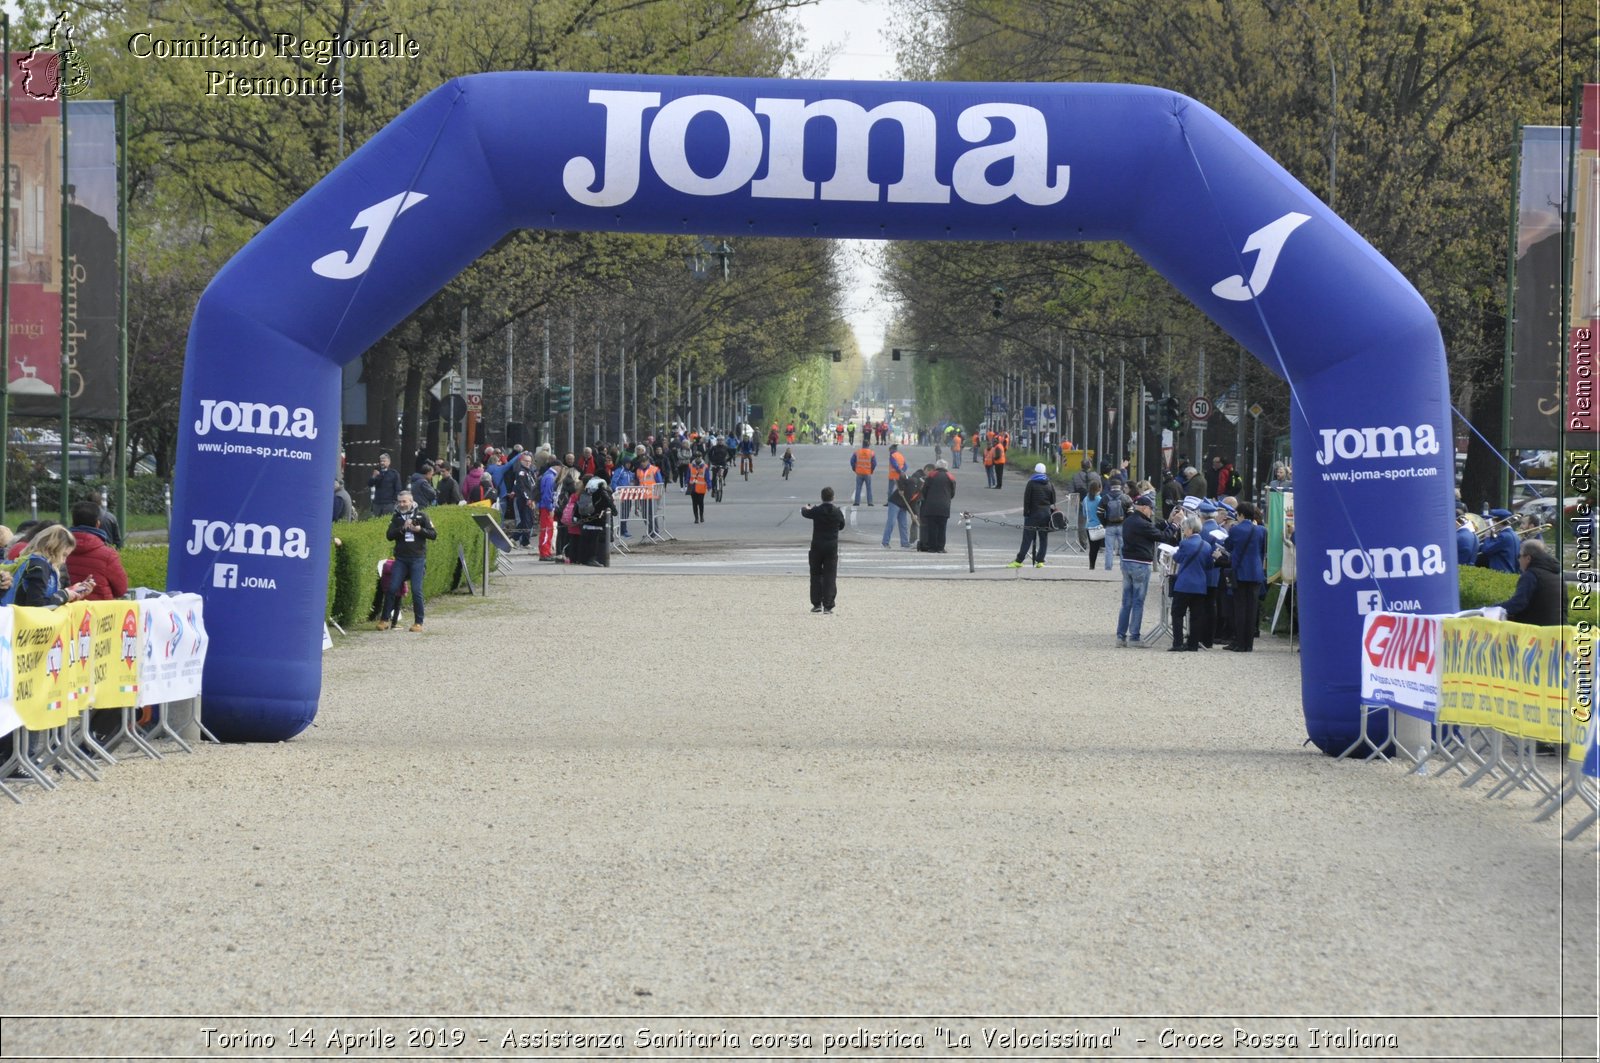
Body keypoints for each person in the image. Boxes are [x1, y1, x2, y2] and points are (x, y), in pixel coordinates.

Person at [1115, 492, 1178, 647]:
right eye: (1151, 509)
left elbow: (1152, 529)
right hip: (1140, 564)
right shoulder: (1142, 523)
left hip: (1127, 563)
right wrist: (1175, 525)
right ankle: (1134, 637)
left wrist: (1168, 521)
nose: (1152, 511)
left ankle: (1120, 636)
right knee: (1138, 601)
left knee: (1126, 602)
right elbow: (1162, 537)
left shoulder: (1130, 521)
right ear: (1144, 508)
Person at [378, 490, 435, 632]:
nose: (402, 504)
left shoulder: (422, 515)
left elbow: (433, 534)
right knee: (391, 588)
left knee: (417, 590)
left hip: (417, 558)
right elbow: (389, 536)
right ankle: (384, 620)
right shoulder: (396, 517)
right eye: (400, 502)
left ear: (411, 501)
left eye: (405, 501)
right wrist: (402, 529)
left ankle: (418, 622)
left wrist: (419, 529)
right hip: (401, 559)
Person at [5, 525, 91, 608]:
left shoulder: (33, 561)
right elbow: (36, 605)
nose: (64, 561)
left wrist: (72, 591)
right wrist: (64, 595)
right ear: (52, 549)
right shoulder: (39, 567)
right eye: (64, 555)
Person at [66, 499, 129, 601]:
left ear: (73, 522)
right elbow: (121, 589)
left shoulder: (59, 550)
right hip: (101, 612)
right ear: (98, 524)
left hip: (68, 611)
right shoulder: (108, 554)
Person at [1225, 501, 1268, 651]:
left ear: (1241, 514)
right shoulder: (1261, 530)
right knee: (1252, 609)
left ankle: (1240, 642)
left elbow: (1228, 546)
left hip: (1241, 573)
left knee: (1240, 608)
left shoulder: (1235, 530)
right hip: (1256, 573)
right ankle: (1249, 644)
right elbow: (1263, 550)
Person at [1492, 539, 1563, 625]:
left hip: (1535, 631)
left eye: (1520, 556)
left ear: (1528, 558)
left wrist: (1492, 608)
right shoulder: (1556, 576)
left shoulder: (1531, 575)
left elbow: (1517, 604)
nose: (1518, 559)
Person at [1168, 515, 1212, 651]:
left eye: (1185, 529)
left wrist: (1173, 553)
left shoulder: (1185, 543)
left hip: (1184, 584)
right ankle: (1193, 644)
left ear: (1191, 529)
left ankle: (1178, 643)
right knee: (1196, 616)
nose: (1184, 531)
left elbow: (1178, 558)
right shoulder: (1207, 545)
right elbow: (1209, 565)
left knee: (1177, 614)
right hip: (1200, 585)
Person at [802, 486, 847, 614]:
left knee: (815, 575)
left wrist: (806, 507)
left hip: (817, 546)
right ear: (833, 498)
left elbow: (804, 512)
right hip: (831, 547)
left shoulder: (816, 511)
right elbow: (842, 526)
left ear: (821, 498)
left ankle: (817, 604)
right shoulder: (837, 512)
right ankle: (828, 605)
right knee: (830, 576)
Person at [1008, 463, 1057, 568]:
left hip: (1033, 514)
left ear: (1035, 471)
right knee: (1043, 538)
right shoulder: (1050, 484)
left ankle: (1019, 561)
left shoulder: (1031, 483)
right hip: (1046, 514)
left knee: (1027, 538)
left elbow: (1027, 501)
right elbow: (1053, 501)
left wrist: (1026, 514)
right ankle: (1040, 561)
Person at [576, 473, 616, 567]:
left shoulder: (584, 491)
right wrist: (614, 511)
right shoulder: (601, 491)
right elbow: (609, 504)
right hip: (597, 520)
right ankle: (592, 559)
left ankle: (584, 559)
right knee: (594, 542)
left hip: (586, 520)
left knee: (587, 541)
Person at [919, 460, 955, 553]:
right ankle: (940, 548)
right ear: (946, 467)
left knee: (932, 527)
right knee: (942, 528)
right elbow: (952, 493)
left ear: (936, 467)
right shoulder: (950, 476)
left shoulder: (931, 475)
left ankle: (932, 548)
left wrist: (928, 499)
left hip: (931, 506)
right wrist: (947, 499)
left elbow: (924, 490)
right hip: (944, 506)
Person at [1097, 478, 1130, 568]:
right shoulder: (1125, 497)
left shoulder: (1105, 497)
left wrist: (1104, 523)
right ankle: (1123, 567)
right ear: (1120, 487)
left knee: (1109, 548)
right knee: (1123, 548)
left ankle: (1108, 567)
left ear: (1111, 487)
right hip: (1122, 526)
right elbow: (1131, 512)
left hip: (1109, 526)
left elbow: (1099, 512)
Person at [1476, 508, 1519, 573]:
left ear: (1498, 522)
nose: (1493, 524)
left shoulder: (1503, 536)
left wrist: (1487, 536)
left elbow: (1486, 550)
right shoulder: (1513, 534)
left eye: (1493, 521)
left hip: (1501, 571)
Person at [882, 462, 912, 549]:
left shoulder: (919, 492)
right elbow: (900, 478)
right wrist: (901, 489)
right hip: (895, 502)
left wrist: (914, 514)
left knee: (903, 523)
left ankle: (905, 542)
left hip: (903, 505)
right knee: (891, 522)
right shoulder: (913, 481)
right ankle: (885, 542)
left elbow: (914, 503)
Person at [1083, 476, 1107, 570]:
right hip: (1099, 526)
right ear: (1099, 488)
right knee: (1097, 548)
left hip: (1089, 526)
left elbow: (1085, 514)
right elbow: (1104, 513)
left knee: (1092, 548)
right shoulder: (1099, 499)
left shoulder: (1085, 499)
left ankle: (1091, 565)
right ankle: (1096, 566)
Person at [686, 452, 711, 523]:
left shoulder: (705, 466)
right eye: (696, 457)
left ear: (701, 457)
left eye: (699, 456)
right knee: (694, 503)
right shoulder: (690, 466)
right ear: (695, 458)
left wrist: (709, 485)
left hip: (701, 487)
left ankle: (701, 516)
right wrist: (686, 483)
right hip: (692, 487)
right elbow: (688, 475)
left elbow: (707, 477)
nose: (698, 458)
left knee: (700, 502)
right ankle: (696, 518)